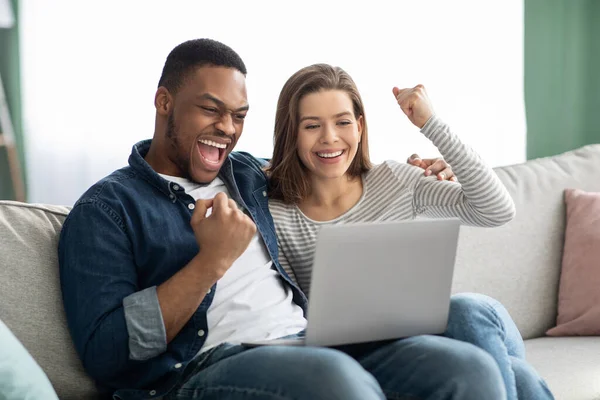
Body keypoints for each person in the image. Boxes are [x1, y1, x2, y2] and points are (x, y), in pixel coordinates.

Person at [59, 38, 508, 400]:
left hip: (310, 342)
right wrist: (209, 264)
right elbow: (107, 354)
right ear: (164, 102)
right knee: (334, 379)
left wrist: (435, 163)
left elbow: (323, 156)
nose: (227, 128)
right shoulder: (107, 210)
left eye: (238, 116)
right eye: (211, 110)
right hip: (206, 367)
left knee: (465, 367)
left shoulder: (249, 174)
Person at [266, 63, 554, 400]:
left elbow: (496, 210)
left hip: (443, 333)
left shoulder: (396, 180)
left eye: (343, 122)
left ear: (359, 127)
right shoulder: (276, 213)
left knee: (467, 310)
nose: (330, 137)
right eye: (312, 125)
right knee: (518, 375)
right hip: (372, 356)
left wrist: (432, 125)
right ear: (291, 133)